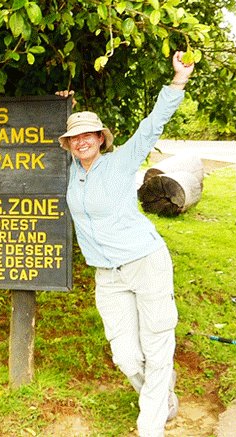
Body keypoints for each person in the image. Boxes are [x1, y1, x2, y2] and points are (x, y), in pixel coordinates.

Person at [57, 51, 194, 437]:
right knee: (126, 356)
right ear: (68, 145)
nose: (82, 141)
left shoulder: (120, 161)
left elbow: (152, 127)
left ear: (100, 138)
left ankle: (150, 427)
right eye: (75, 137)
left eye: (89, 135)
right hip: (108, 274)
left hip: (145, 261)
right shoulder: (71, 171)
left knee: (156, 344)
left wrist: (178, 80)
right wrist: (61, 105)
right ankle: (162, 393)